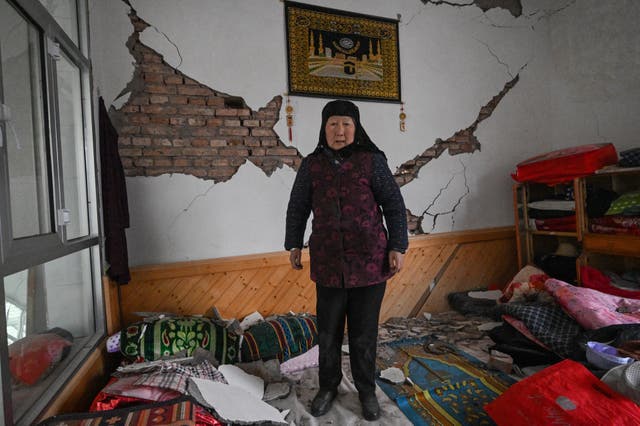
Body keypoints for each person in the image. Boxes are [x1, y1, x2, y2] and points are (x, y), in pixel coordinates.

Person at [285, 99, 408, 420]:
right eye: (333, 125)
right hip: (328, 264)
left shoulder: (373, 162)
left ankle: (366, 391)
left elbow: (394, 205)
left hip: (370, 262)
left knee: (364, 334)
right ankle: (328, 388)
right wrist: (293, 244)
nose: (340, 131)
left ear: (356, 128)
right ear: (324, 129)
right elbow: (297, 206)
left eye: (346, 124)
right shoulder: (311, 165)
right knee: (327, 332)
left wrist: (398, 246)